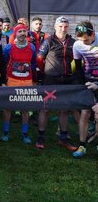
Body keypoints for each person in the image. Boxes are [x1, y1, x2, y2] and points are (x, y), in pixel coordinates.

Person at [35, 16, 77, 151]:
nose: (63, 29)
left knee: (64, 110)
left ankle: (63, 138)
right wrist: (44, 73)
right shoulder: (48, 41)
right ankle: (41, 137)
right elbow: (39, 59)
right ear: (55, 26)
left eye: (65, 26)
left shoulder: (73, 42)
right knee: (45, 108)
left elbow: (77, 60)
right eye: (60, 26)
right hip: (50, 79)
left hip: (67, 80)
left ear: (68, 27)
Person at [2, 24, 37, 144]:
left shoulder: (32, 47)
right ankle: (6, 132)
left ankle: (25, 133)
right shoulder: (8, 47)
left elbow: (33, 63)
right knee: (8, 107)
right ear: (15, 34)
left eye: (24, 31)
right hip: (12, 80)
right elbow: (5, 62)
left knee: (25, 107)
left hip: (27, 80)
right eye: (20, 31)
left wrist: (33, 78)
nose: (22, 33)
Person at [71, 20, 98, 158]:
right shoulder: (77, 45)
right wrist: (83, 85)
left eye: (86, 40)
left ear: (93, 34)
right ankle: (82, 145)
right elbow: (78, 68)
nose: (84, 43)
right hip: (88, 81)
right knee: (85, 113)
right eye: (81, 40)